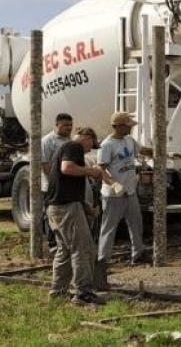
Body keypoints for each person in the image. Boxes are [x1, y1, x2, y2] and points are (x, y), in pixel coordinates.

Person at [45, 127, 105, 305]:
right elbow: (67, 168)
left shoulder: (65, 148)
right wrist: (90, 171)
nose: (90, 149)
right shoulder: (74, 146)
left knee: (64, 251)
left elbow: (64, 183)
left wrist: (83, 204)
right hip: (66, 208)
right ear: (87, 138)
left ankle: (58, 291)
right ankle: (83, 292)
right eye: (92, 144)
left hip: (57, 207)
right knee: (83, 248)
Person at [96, 112, 152, 268]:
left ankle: (138, 254)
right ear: (118, 126)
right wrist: (113, 184)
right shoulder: (108, 145)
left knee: (136, 223)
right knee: (109, 227)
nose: (130, 129)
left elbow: (142, 151)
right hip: (114, 195)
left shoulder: (129, 140)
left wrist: (158, 150)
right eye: (127, 126)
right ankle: (103, 259)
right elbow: (101, 169)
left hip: (130, 190)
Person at [42, 113, 73, 253]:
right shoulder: (48, 141)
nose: (69, 128)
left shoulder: (69, 140)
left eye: (70, 125)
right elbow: (45, 165)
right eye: (65, 125)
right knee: (51, 215)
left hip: (66, 186)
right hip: (51, 186)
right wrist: (54, 183)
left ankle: (65, 242)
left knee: (65, 215)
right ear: (57, 125)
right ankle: (52, 243)